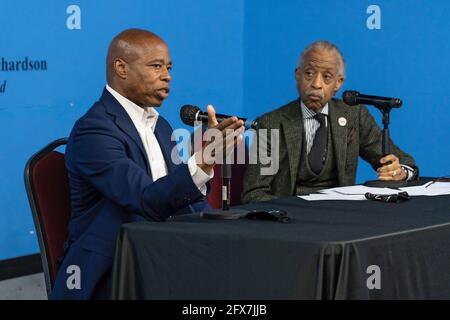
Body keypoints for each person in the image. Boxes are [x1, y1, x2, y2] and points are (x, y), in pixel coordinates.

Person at [51, 28, 244, 299]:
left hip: (162, 256)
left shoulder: (161, 126)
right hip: (112, 271)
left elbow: (182, 199)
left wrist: (227, 227)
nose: (167, 76)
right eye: (156, 66)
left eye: (169, 67)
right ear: (121, 68)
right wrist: (203, 160)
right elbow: (146, 200)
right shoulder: (93, 131)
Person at [241, 40, 418, 203]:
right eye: (309, 73)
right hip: (290, 220)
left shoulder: (353, 117)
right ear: (297, 75)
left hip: (341, 216)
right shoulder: (271, 124)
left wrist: (400, 172)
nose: (316, 84)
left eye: (326, 77)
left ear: (338, 84)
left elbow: (404, 162)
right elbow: (255, 192)